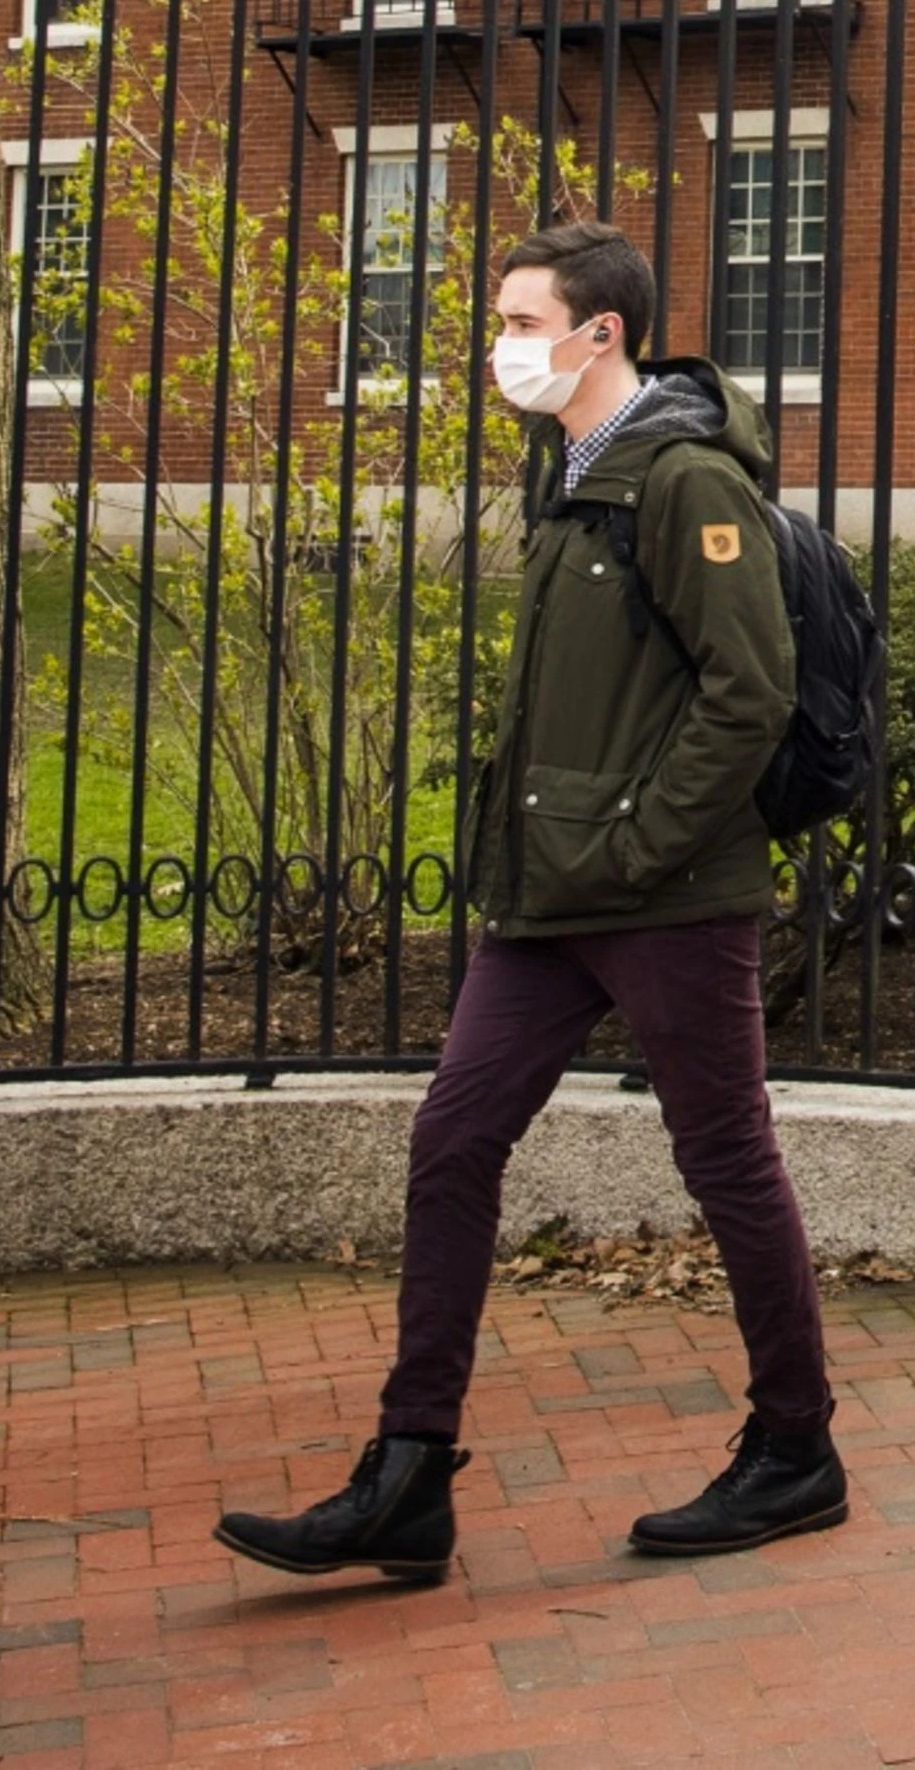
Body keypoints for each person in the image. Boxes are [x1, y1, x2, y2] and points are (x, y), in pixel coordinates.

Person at [218, 220, 845, 1585]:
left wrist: (633, 838)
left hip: (664, 895)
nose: (499, 344)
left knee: (726, 1158)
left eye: (518, 318)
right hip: (549, 895)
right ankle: (408, 1470)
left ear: (597, 331)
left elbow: (752, 695)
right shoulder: (568, 475)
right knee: (452, 1142)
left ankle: (796, 1446)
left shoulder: (681, 480)